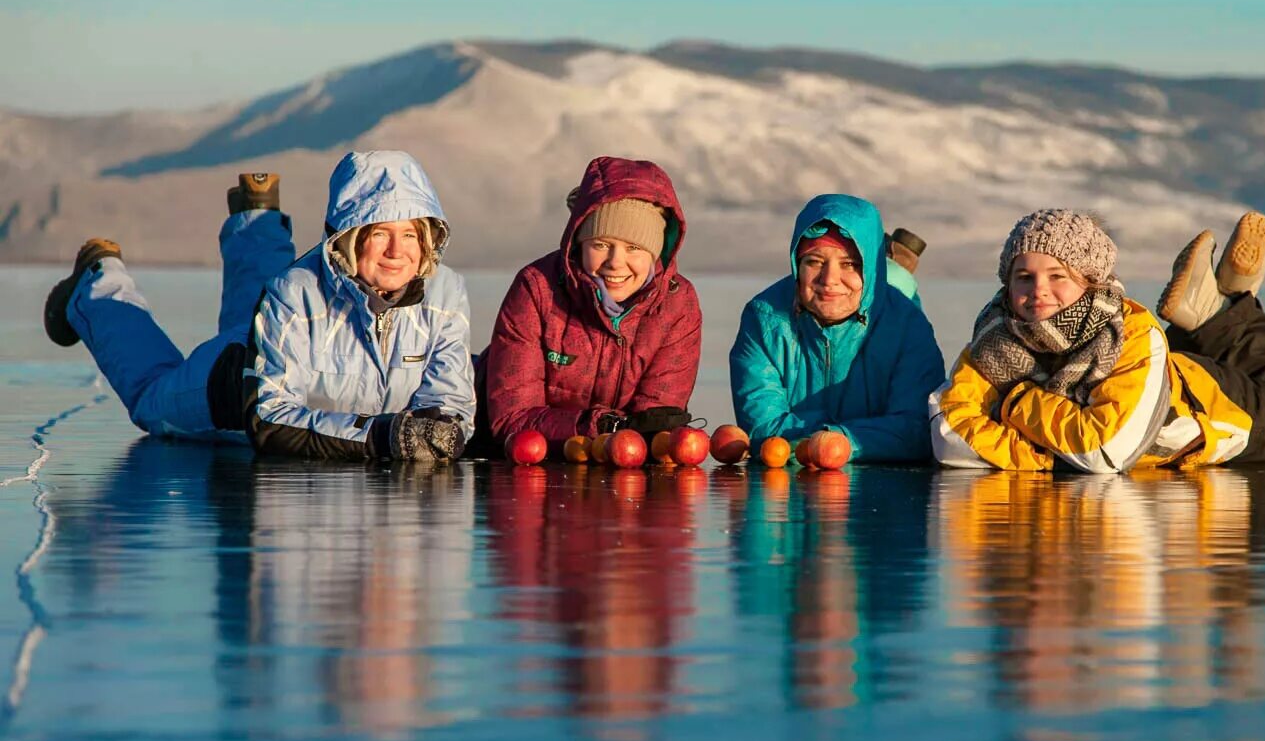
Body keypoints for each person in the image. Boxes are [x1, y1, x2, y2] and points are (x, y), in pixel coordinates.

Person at [930, 208, 1265, 472]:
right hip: (1155, 380)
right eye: (1023, 277)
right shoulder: (992, 340)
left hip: (1206, 402)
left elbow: (1107, 453)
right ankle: (1216, 311)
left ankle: (1221, 315)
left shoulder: (1130, 330)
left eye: (1058, 276)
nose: (1037, 289)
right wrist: (1050, 455)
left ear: (1092, 284)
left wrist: (1018, 404)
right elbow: (949, 439)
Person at [245, 150, 475, 460]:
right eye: (380, 233)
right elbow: (269, 417)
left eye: (409, 234)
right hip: (225, 382)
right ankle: (256, 213)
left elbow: (451, 400)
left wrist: (437, 431)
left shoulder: (446, 292)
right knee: (155, 394)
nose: (397, 251)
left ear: (427, 242)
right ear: (349, 239)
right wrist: (380, 435)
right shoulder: (293, 294)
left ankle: (258, 214)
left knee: (254, 285)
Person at [42, 172, 295, 444]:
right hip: (244, 385)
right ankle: (96, 283)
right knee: (151, 396)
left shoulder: (345, 236)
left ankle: (257, 224)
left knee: (263, 324)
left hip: (282, 343)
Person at [473, 155, 702, 454]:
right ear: (578, 242)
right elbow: (512, 418)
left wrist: (629, 431)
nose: (615, 262)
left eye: (633, 248)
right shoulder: (537, 288)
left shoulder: (676, 304)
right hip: (511, 460)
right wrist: (604, 427)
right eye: (601, 244)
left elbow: (653, 425)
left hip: (619, 467)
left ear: (656, 252)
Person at [730, 194, 946, 462]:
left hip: (881, 501)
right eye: (814, 261)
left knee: (895, 292)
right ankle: (890, 261)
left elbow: (916, 431)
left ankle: (894, 265)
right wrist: (842, 439)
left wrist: (836, 439)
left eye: (850, 264)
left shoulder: (909, 327)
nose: (829, 279)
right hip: (793, 498)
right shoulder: (765, 321)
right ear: (797, 264)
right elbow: (762, 428)